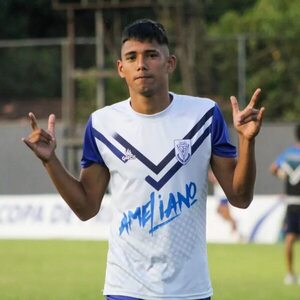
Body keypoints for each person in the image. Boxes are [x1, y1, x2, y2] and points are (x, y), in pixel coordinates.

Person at [22, 19, 265, 300]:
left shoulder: (204, 116)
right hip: (126, 288)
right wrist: (50, 161)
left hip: (190, 289)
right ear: (120, 68)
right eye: (132, 57)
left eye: (151, 55)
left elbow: (240, 198)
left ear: (170, 63)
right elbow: (87, 207)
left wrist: (247, 140)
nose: (141, 64)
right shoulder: (102, 124)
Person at [270, 123, 300, 285]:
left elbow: (273, 168)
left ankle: (290, 274)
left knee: (289, 237)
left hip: (291, 202)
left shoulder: (288, 154)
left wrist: (283, 174)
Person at [208, 169, 242, 242]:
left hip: (223, 195)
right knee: (220, 211)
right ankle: (234, 225)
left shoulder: (222, 171)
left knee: (223, 211)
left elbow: (215, 179)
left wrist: (213, 177)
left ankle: (235, 228)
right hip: (220, 195)